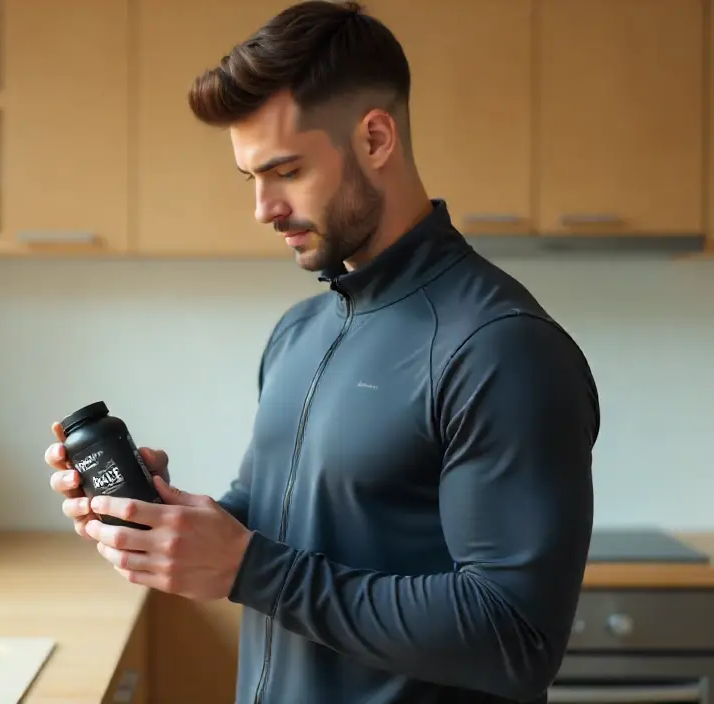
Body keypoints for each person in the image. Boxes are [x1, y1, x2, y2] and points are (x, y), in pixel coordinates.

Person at [43, 1, 599, 702]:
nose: (263, 208)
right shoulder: (299, 333)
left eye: (285, 171)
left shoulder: (501, 349)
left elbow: (514, 639)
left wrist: (248, 568)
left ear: (374, 140)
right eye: (252, 179)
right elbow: (281, 522)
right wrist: (168, 517)